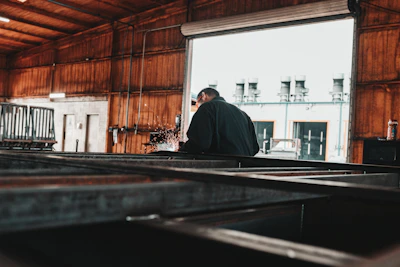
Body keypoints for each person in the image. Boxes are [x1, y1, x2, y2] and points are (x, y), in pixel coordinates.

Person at [180, 88, 259, 156]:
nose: (198, 107)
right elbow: (255, 148)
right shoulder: (243, 114)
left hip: (221, 168)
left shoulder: (207, 108)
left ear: (203, 96)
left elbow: (199, 144)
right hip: (244, 169)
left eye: (198, 103)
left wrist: (182, 150)